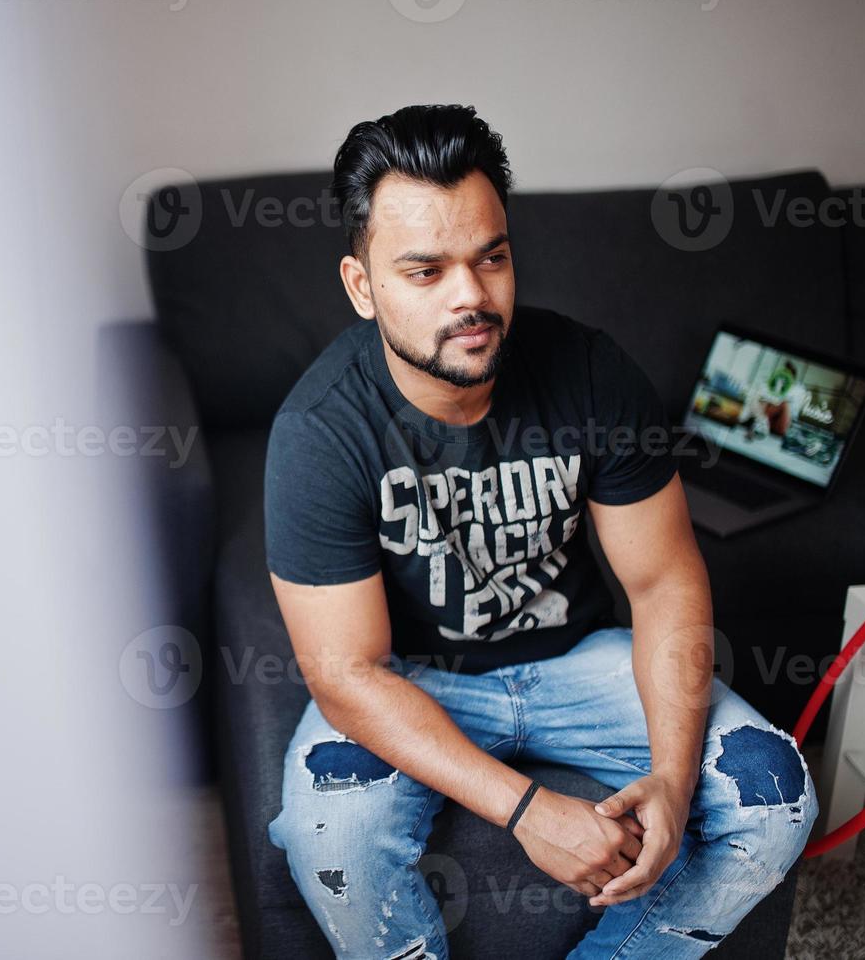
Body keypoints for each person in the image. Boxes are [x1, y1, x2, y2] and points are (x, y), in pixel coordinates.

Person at [263, 104, 817, 960]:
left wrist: (671, 780)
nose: (472, 297)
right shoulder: (320, 433)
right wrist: (526, 810)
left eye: (492, 257)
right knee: (328, 836)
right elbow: (346, 672)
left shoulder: (589, 372)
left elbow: (663, 580)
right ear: (362, 285)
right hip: (417, 679)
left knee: (775, 797)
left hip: (576, 660)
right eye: (425, 271)